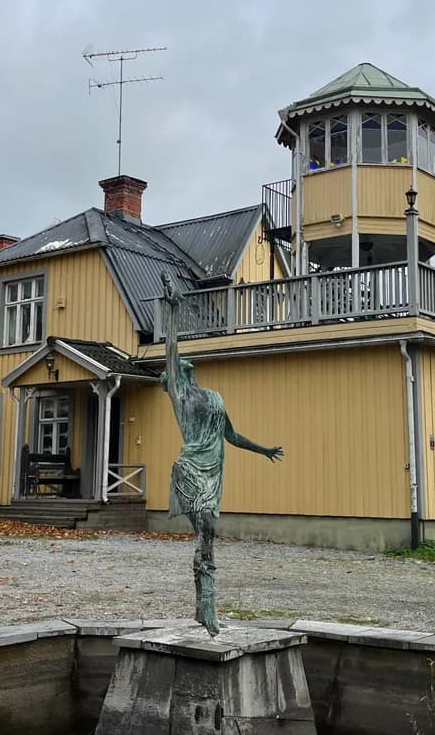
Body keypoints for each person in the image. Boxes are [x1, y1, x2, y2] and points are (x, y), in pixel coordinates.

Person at [159, 271, 283, 636]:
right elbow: (170, 350)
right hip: (189, 468)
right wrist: (172, 308)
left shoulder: (214, 397)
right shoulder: (179, 397)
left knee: (207, 535)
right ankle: (209, 603)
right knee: (207, 531)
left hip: (214, 470)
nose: (182, 366)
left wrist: (263, 450)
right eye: (175, 369)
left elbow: (231, 434)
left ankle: (202, 606)